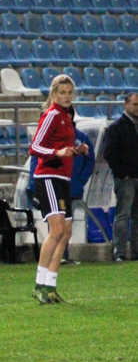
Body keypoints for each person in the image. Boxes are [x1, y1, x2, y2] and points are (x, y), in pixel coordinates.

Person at [29, 75, 89, 304]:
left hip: (63, 177)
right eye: (62, 92)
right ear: (54, 94)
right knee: (56, 231)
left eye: (69, 93)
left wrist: (76, 149)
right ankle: (39, 285)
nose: (66, 96)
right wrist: (57, 153)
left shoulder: (66, 116)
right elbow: (35, 146)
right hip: (48, 176)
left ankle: (51, 286)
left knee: (65, 232)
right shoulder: (52, 114)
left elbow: (60, 145)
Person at [27, 106, 95, 266]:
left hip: (69, 184)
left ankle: (57, 263)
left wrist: (81, 179)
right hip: (50, 181)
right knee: (57, 227)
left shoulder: (80, 136)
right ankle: (45, 272)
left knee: (66, 228)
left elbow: (89, 160)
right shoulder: (49, 135)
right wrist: (34, 184)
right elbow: (35, 156)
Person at [102, 93, 138, 262]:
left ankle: (135, 252)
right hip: (126, 179)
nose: (137, 108)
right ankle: (120, 252)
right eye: (135, 105)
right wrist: (122, 173)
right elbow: (109, 152)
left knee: (135, 216)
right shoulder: (116, 127)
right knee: (123, 215)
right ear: (125, 105)